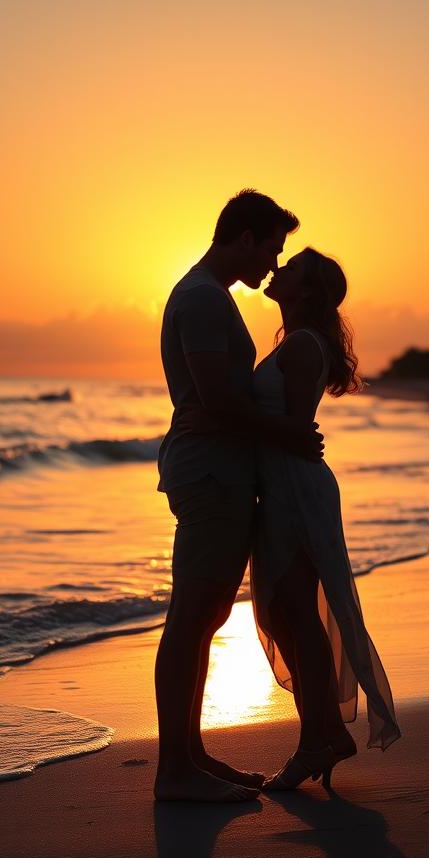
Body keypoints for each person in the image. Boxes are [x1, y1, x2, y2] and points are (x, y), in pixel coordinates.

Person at [154, 189, 323, 803]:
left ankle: (190, 755)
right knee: (191, 618)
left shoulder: (212, 297)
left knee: (205, 616)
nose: (273, 266)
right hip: (208, 476)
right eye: (271, 250)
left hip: (219, 471)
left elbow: (218, 401)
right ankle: (174, 770)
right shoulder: (202, 299)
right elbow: (216, 399)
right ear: (245, 237)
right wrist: (291, 435)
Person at [249, 247, 401, 790]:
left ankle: (319, 739)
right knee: (279, 614)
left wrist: (221, 412)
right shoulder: (293, 344)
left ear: (307, 293)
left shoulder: (303, 347)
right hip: (284, 487)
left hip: (295, 490)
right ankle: (326, 732)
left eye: (291, 269)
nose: (278, 269)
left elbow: (290, 429)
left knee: (294, 613)